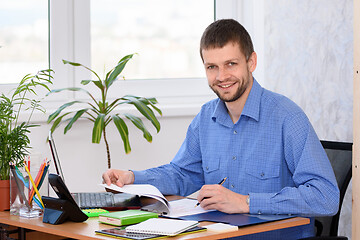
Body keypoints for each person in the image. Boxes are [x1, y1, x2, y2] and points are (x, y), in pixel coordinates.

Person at [103, 19, 339, 237]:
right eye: (212, 67)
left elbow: (325, 196)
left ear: (251, 62)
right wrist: (133, 177)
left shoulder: (287, 117)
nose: (222, 76)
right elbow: (183, 174)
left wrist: (246, 202)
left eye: (231, 64)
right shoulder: (206, 118)